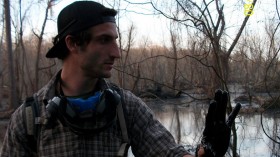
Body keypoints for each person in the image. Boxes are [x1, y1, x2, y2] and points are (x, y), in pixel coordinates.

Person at [0, 1, 241, 157]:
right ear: (73, 43)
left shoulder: (127, 107)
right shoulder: (29, 119)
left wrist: (207, 151)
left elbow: (169, 154)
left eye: (115, 40)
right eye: (104, 40)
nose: (116, 52)